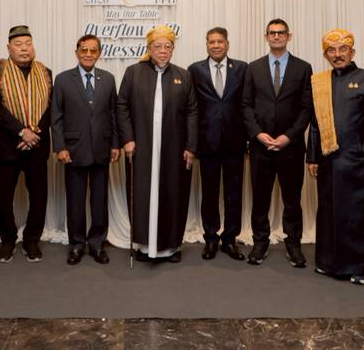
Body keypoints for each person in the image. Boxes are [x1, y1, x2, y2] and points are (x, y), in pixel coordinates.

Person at [306, 29, 364, 285]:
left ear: (352, 52)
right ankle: (328, 262)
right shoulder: (320, 81)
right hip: (328, 160)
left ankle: (360, 267)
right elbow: (316, 123)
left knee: (357, 214)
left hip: (358, 160)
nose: (337, 54)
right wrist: (312, 157)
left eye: (343, 49)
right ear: (325, 55)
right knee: (328, 211)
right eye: (331, 50)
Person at [117, 25, 198, 262]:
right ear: (149, 48)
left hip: (174, 149)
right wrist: (128, 139)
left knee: (173, 194)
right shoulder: (133, 72)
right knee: (143, 195)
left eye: (167, 46)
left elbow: (192, 112)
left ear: (173, 49)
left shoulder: (183, 75)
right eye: (157, 46)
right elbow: (122, 106)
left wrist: (191, 147)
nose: (163, 50)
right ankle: (144, 247)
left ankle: (170, 247)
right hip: (141, 147)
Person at [242, 19, 312, 267]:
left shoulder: (303, 68)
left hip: (291, 147)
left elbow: (307, 108)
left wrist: (288, 136)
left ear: (288, 36)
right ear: (266, 36)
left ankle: (293, 245)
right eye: (272, 33)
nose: (276, 36)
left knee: (292, 200)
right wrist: (257, 134)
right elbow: (246, 105)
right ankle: (260, 243)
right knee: (260, 198)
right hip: (260, 147)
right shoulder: (253, 68)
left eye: (281, 32)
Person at [0, 25, 52, 263]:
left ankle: (32, 240)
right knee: (3, 197)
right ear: (9, 48)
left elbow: (50, 108)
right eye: (18, 44)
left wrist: (33, 134)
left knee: (39, 197)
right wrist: (21, 132)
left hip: (37, 145)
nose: (24, 49)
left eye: (28, 44)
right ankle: (8, 240)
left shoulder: (45, 71)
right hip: (7, 145)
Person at [51, 35, 119, 265]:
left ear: (99, 53)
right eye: (84, 50)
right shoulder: (62, 79)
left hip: (101, 148)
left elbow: (113, 114)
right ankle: (77, 244)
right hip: (73, 150)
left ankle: (97, 244)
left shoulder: (108, 79)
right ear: (77, 52)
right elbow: (56, 117)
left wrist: (115, 143)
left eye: (93, 50)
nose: (88, 54)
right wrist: (60, 146)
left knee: (99, 201)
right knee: (75, 201)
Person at [187, 27, 247, 261]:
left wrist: (249, 139)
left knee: (234, 194)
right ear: (206, 45)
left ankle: (230, 239)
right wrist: (191, 142)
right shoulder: (195, 70)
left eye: (220, 41)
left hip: (235, 142)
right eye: (211, 42)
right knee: (210, 194)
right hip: (207, 142)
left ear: (227, 44)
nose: (215, 45)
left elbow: (247, 104)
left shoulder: (242, 68)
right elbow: (191, 107)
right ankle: (211, 239)